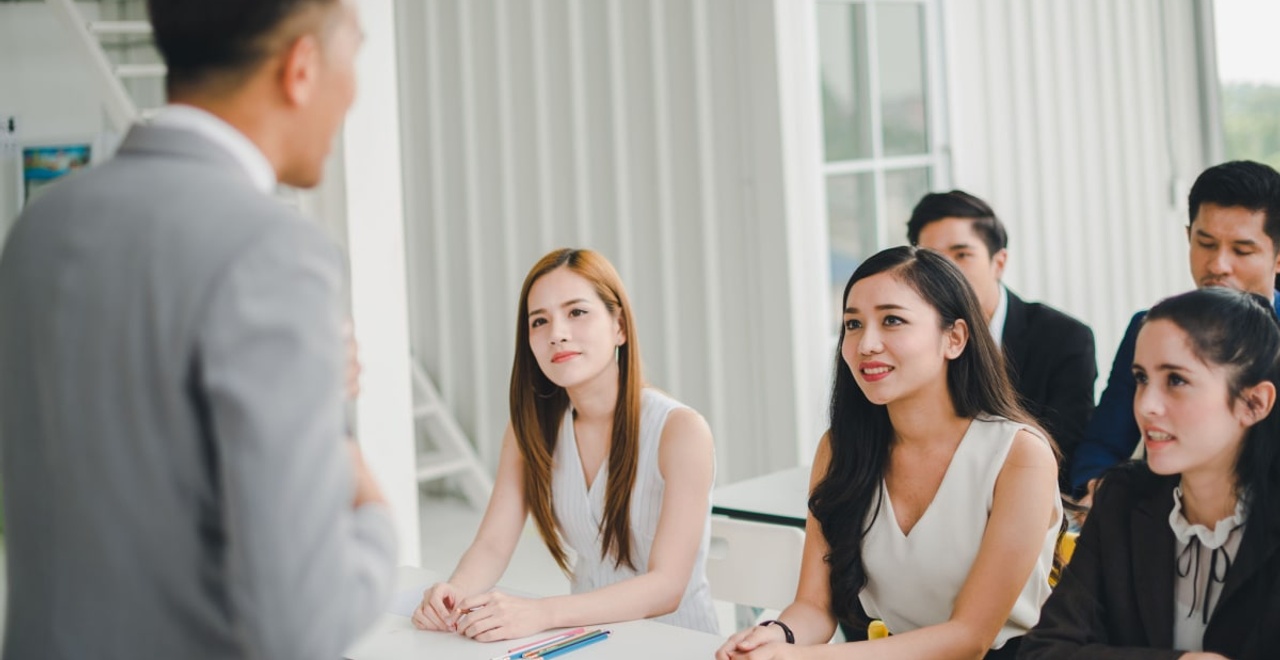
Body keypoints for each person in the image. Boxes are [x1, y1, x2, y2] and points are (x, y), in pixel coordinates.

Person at [0, 1, 397, 658]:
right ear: (301, 68)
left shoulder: (40, 228)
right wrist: (377, 515)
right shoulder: (273, 252)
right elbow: (302, 625)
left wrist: (307, 391)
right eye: (356, 50)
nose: (355, 91)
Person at [716, 246, 1061, 660]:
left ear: (954, 338)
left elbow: (969, 636)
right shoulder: (840, 449)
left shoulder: (1019, 455)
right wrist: (776, 637)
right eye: (853, 324)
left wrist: (801, 659)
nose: (866, 344)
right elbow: (814, 607)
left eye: (892, 320)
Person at [411, 248, 717, 641]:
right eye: (539, 321)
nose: (556, 333)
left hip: (679, 645)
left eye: (577, 312)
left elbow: (666, 587)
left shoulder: (680, 431)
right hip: (585, 644)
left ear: (619, 326)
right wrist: (455, 591)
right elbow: (491, 545)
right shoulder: (531, 431)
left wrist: (541, 613)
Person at [1020, 287, 1280, 659]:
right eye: (1141, 379)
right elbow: (1045, 651)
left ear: (1254, 403)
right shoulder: (1122, 496)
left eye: (1176, 380)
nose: (1146, 405)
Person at [1071, 161, 1280, 501]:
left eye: (1242, 250)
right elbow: (1102, 447)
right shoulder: (1152, 331)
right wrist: (1102, 491)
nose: (1218, 265)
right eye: (1206, 244)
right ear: (1189, 237)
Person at [909, 190, 1097, 493]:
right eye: (933, 261)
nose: (948, 274)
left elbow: (1063, 451)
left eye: (962, 255)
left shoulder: (1064, 338)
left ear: (999, 262)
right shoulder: (911, 342)